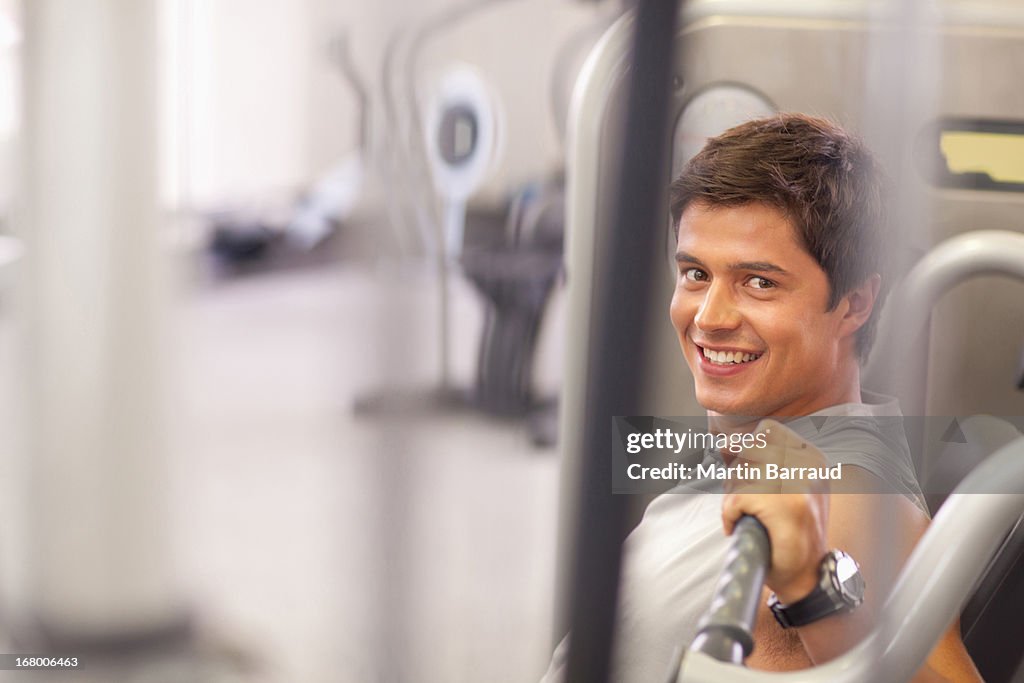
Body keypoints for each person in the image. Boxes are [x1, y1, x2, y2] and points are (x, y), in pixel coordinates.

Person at [542, 114, 982, 682]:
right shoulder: (759, 443)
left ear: (854, 303)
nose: (709, 317)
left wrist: (810, 590)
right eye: (696, 273)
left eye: (760, 282)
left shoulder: (853, 498)